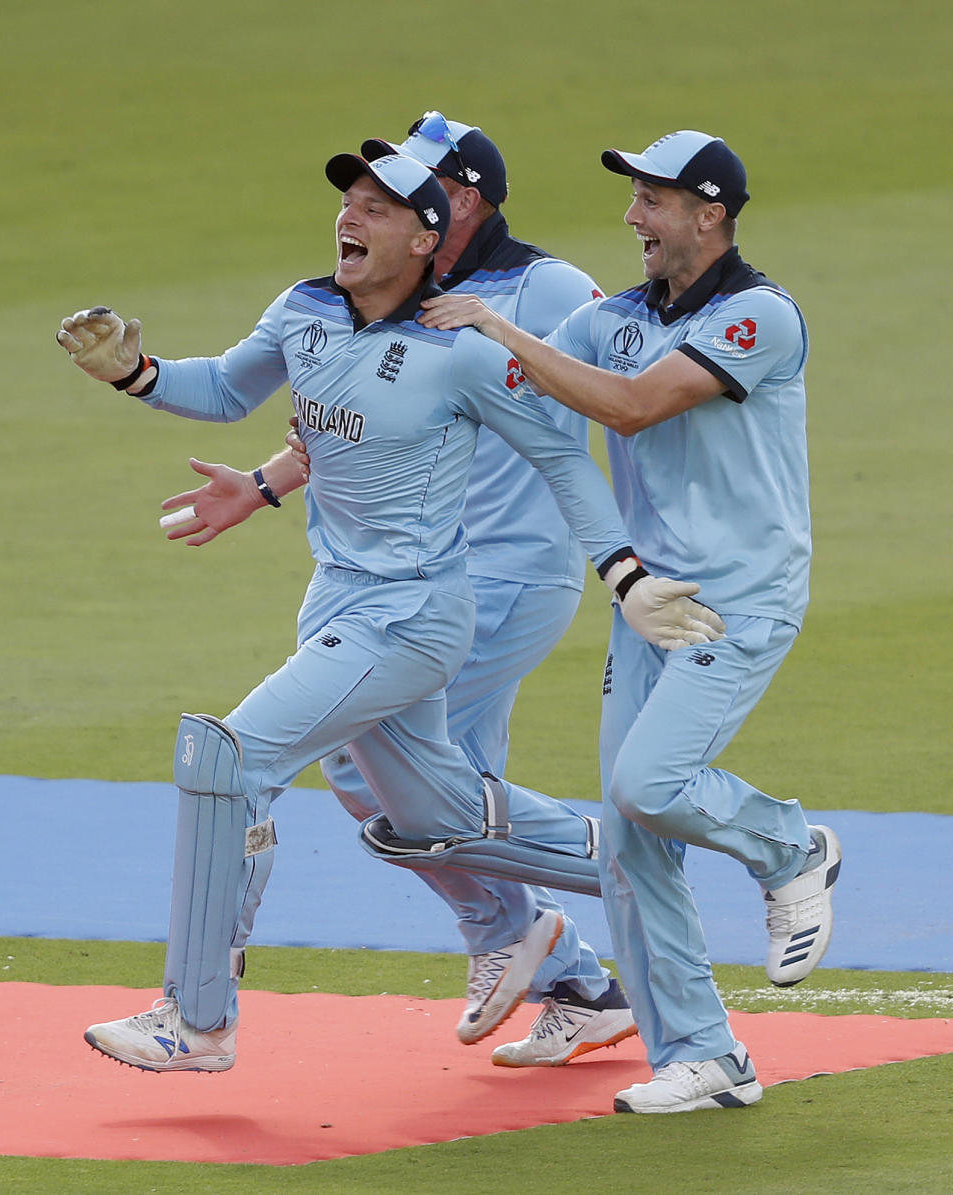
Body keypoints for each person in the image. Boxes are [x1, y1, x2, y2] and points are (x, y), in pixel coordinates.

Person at [56, 149, 724, 1074]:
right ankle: (666, 854)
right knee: (435, 813)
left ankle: (197, 1019)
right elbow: (225, 388)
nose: (351, 217)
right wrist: (136, 372)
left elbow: (565, 457)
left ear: (425, 238)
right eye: (347, 202)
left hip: (411, 616)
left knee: (228, 760)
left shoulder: (463, 350)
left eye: (377, 207)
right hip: (337, 600)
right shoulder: (304, 311)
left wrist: (624, 575)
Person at [160, 112, 639, 1069]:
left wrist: (634, 550)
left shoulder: (538, 286)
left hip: (504, 570)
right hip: (428, 571)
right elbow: (353, 424)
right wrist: (262, 485)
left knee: (414, 789)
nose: (373, 204)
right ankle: (571, 963)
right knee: (406, 786)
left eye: (408, 184)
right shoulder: (386, 297)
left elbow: (619, 390)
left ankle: (561, 923)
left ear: (460, 200)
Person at [420, 129, 843, 1113]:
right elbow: (501, 386)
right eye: (634, 198)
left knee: (649, 785)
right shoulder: (615, 317)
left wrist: (503, 328)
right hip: (646, 604)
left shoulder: (759, 317)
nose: (633, 218)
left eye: (652, 199)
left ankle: (791, 848)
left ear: (709, 213)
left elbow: (636, 407)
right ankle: (704, 1055)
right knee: (627, 837)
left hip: (738, 597)